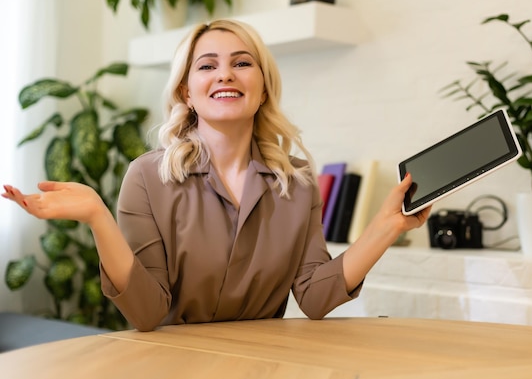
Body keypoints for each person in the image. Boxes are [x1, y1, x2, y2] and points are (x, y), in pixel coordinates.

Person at [2, 19, 431, 332]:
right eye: (207, 66)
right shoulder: (147, 177)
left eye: (241, 63)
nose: (225, 73)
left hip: (265, 365)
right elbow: (148, 313)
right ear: (186, 92)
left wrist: (386, 226)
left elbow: (316, 297)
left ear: (262, 88)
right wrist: (98, 217)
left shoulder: (296, 182)